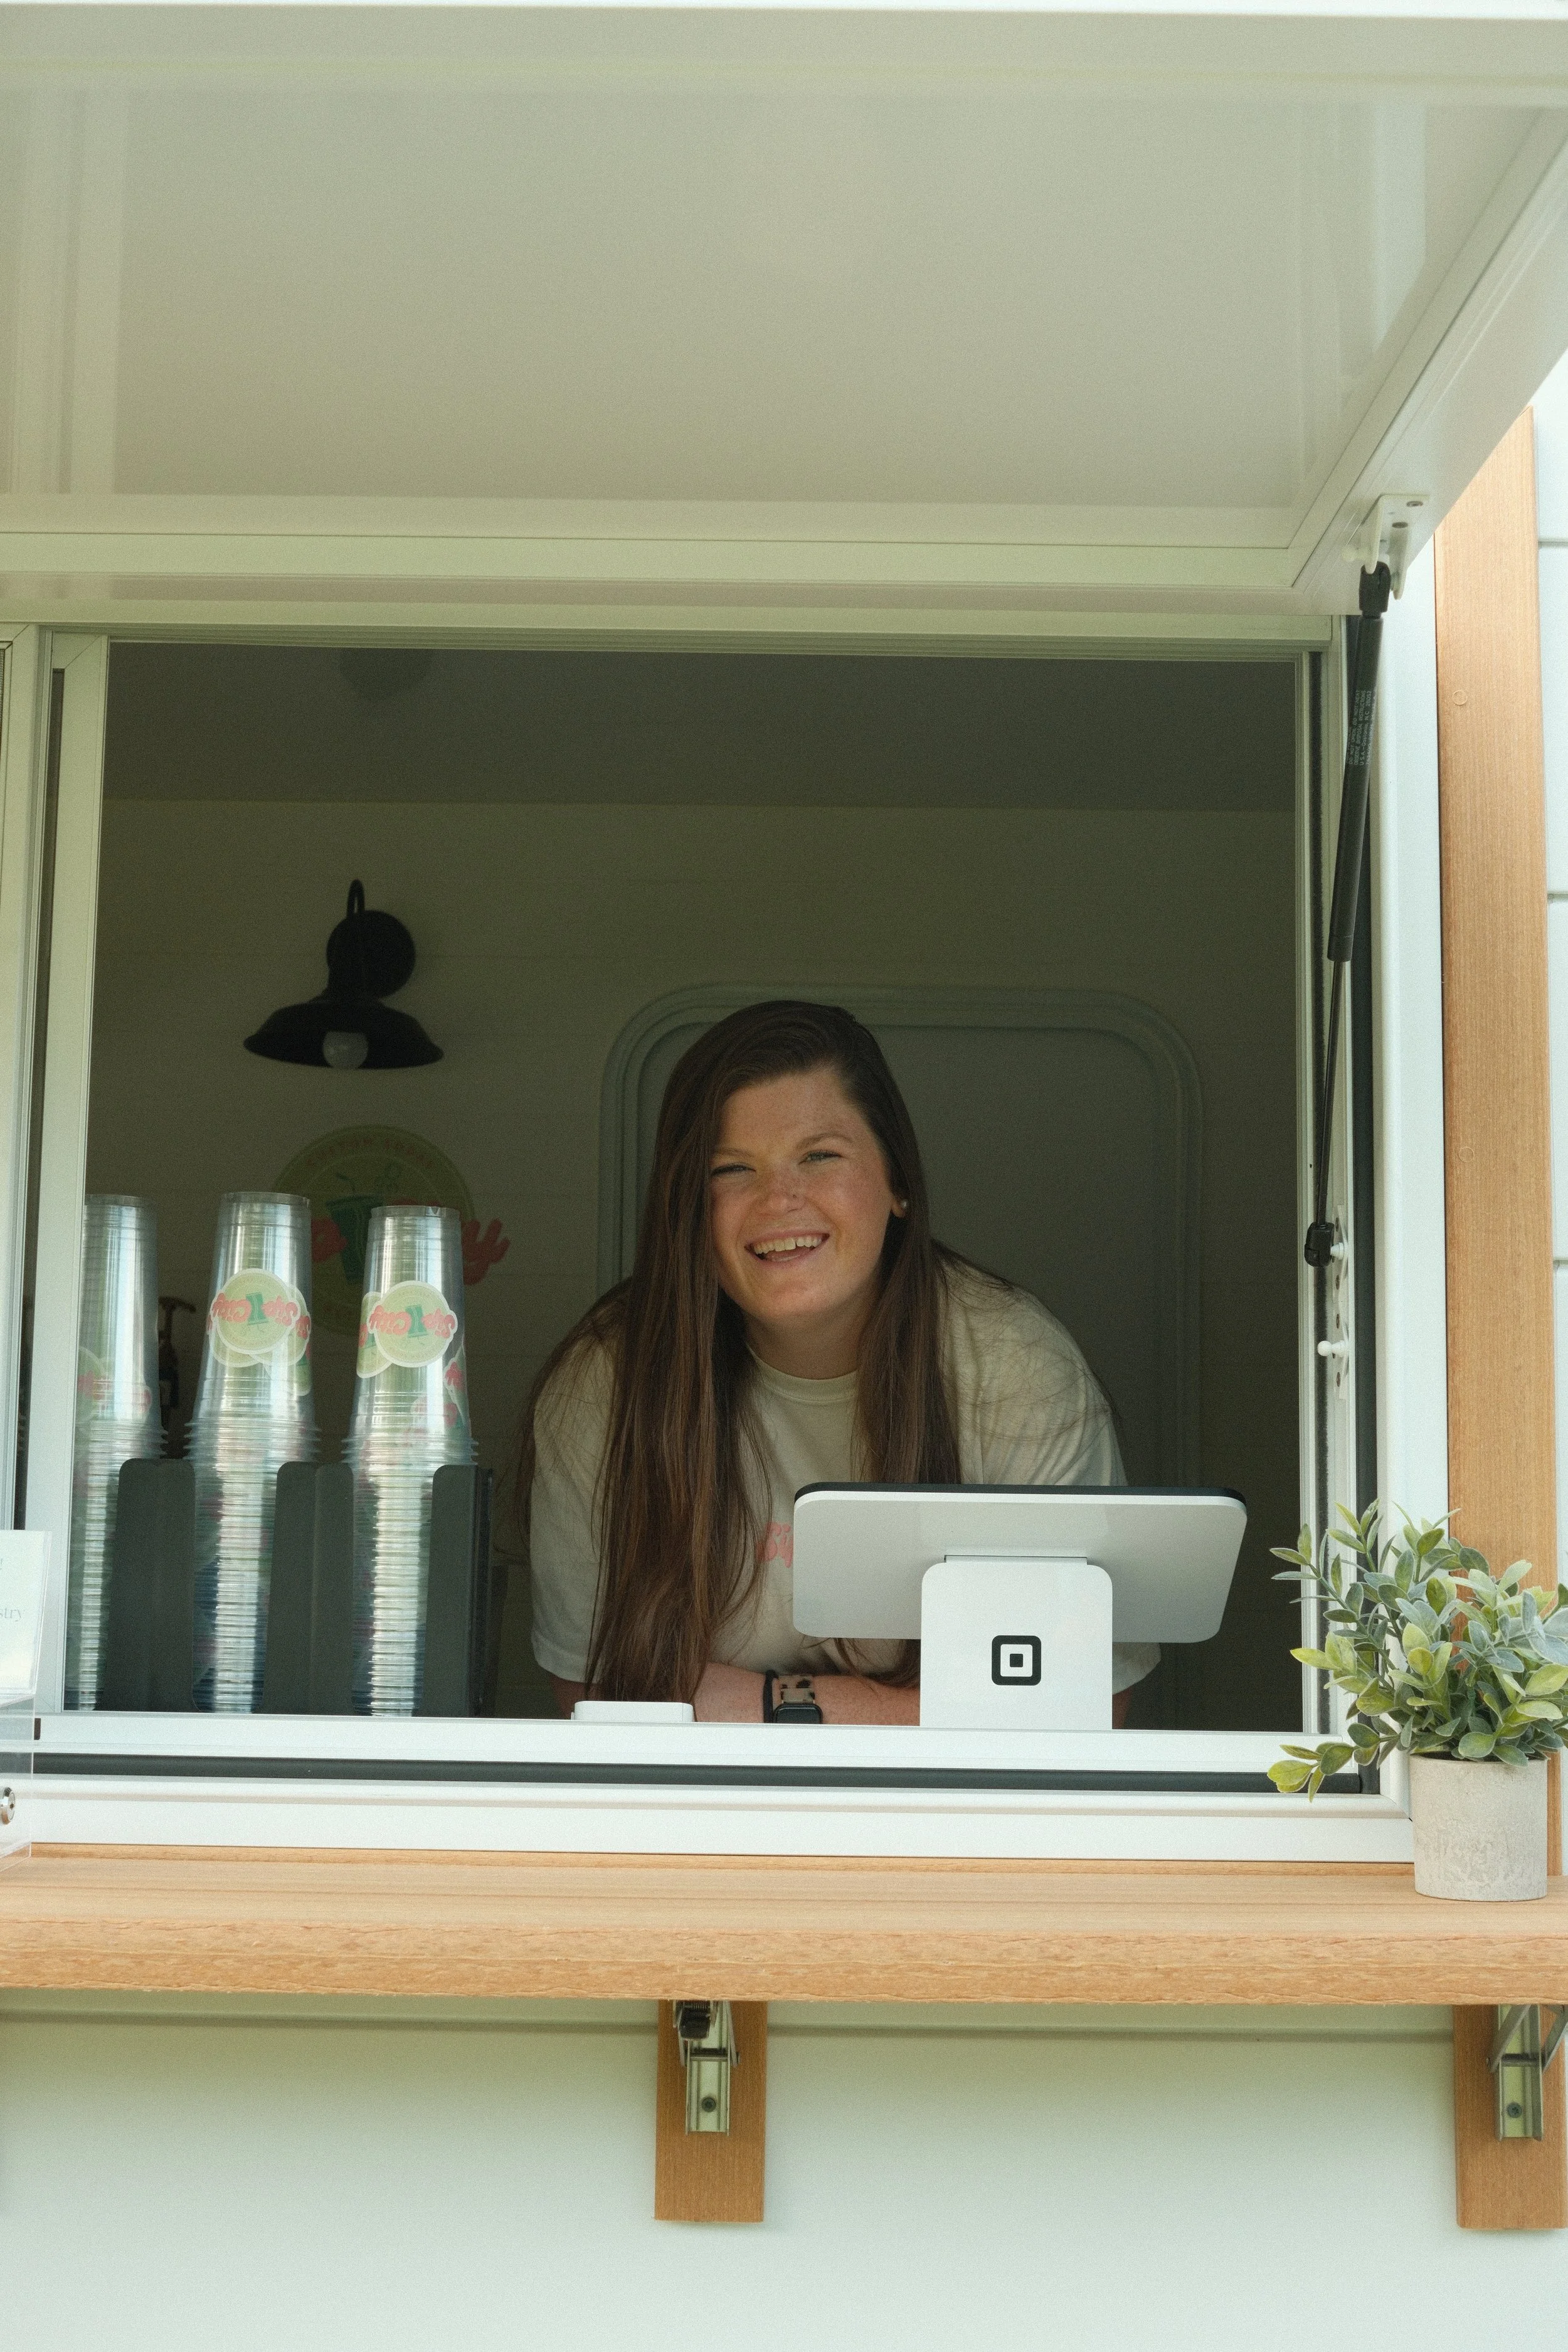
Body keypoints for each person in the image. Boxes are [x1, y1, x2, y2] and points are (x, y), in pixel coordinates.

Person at [520, 1000, 1157, 1724]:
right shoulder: (610, 1378)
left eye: (820, 1156)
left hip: (954, 1817)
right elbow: (594, 1699)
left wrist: (773, 1703)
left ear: (898, 1183)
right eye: (730, 1170)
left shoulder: (1013, 1367)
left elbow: (1083, 1696)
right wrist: (923, 1709)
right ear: (687, 1213)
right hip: (695, 1815)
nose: (778, 1201)